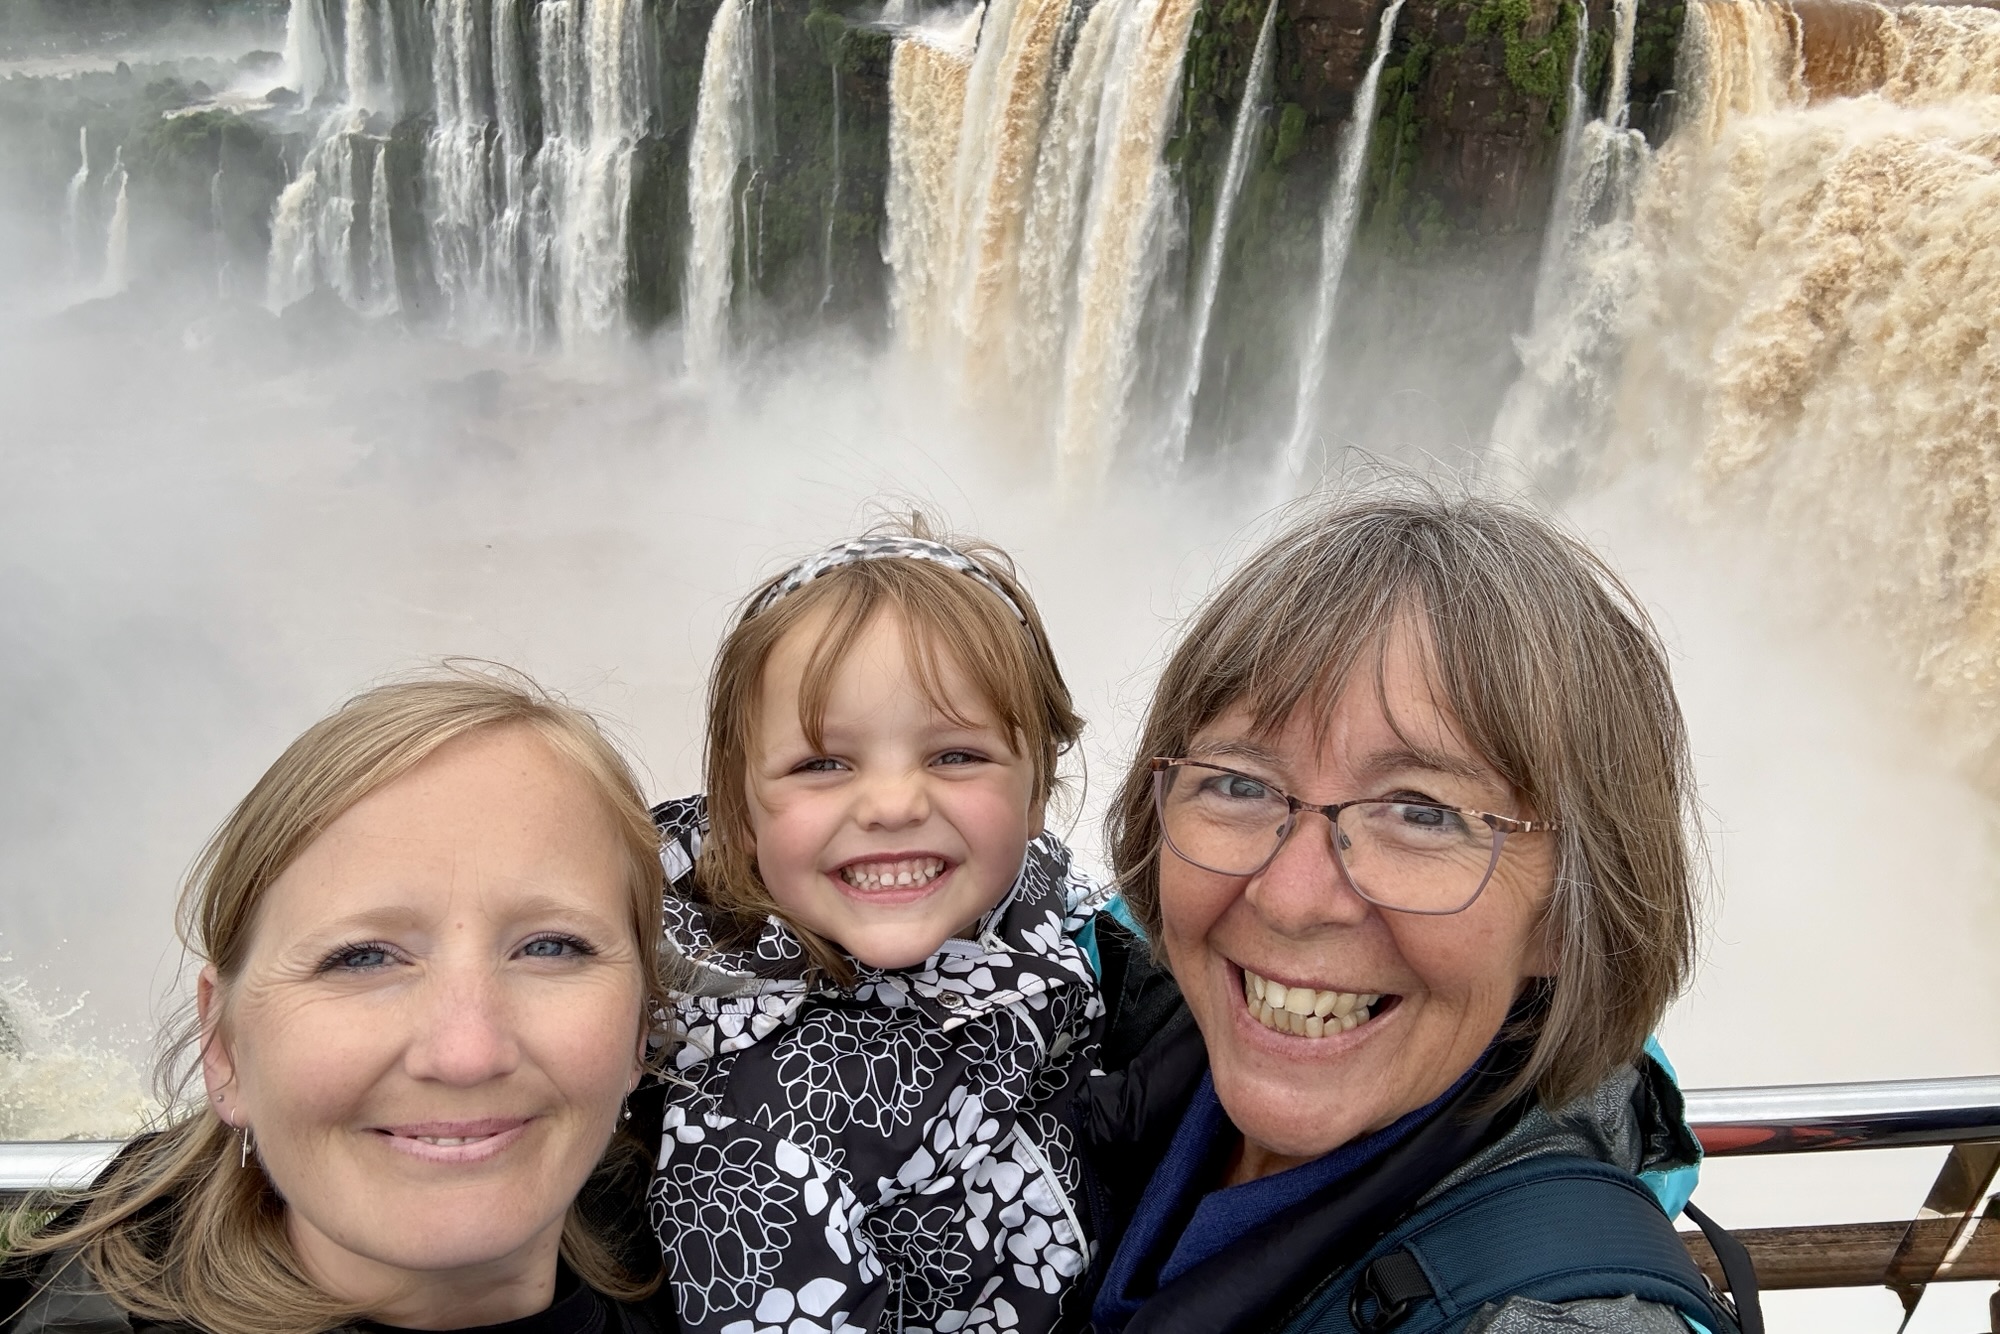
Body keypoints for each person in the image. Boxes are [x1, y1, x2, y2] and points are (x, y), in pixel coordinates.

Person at [1077, 490, 1751, 1334]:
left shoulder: (1567, 1317)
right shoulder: (1091, 1001)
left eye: (1422, 813)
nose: (1290, 898)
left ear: (1567, 914)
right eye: (1239, 784)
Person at [3, 670, 679, 1334]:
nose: (467, 1053)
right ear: (225, 1045)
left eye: (551, 947)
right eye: (362, 957)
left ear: (642, 1025)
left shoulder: (722, 1258)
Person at [646, 523, 1109, 1334]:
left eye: (956, 756)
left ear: (1037, 792)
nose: (894, 805)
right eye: (824, 764)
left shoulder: (1046, 899)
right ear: (740, 809)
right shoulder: (748, 1133)